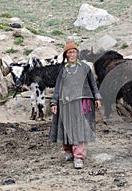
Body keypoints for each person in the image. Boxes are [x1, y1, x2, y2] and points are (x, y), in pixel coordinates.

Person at [49, 40, 102, 169]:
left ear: (77, 54)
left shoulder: (85, 68)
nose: (72, 54)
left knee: (81, 128)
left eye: (74, 52)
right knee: (66, 127)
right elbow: (58, 87)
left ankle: (79, 156)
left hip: (83, 101)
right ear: (66, 55)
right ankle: (68, 151)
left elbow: (93, 84)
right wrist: (54, 102)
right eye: (69, 52)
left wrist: (97, 97)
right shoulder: (63, 70)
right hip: (66, 102)